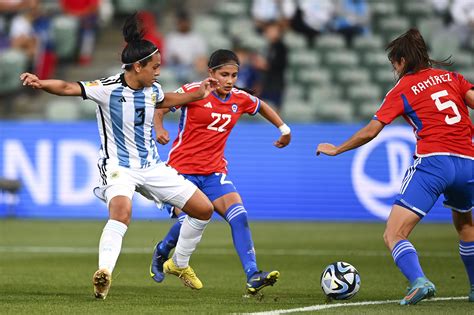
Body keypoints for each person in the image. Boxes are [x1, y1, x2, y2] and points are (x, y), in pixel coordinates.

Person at [20, 13, 218, 299]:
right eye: (155, 67)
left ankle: (179, 263)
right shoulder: (108, 88)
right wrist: (41, 83)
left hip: (151, 165)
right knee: (122, 213)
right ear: (137, 67)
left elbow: (168, 99)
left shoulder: (153, 89)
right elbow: (67, 87)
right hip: (118, 167)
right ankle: (104, 274)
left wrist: (199, 93)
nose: (159, 72)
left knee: (204, 209)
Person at [316, 28, 474, 305]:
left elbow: (370, 131)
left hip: (434, 163)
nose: (394, 69)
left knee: (394, 233)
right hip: (468, 163)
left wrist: (338, 149)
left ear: (401, 61)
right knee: (465, 224)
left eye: (394, 64)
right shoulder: (452, 78)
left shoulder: (402, 89)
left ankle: (418, 281)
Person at [149, 49, 292, 295]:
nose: (229, 80)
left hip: (214, 172)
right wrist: (159, 128)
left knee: (240, 216)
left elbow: (261, 106)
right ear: (211, 73)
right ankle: (162, 251)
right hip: (181, 172)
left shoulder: (239, 98)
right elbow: (160, 107)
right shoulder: (195, 91)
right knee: (188, 220)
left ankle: (253, 274)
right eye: (224, 74)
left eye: (234, 75)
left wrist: (283, 128)